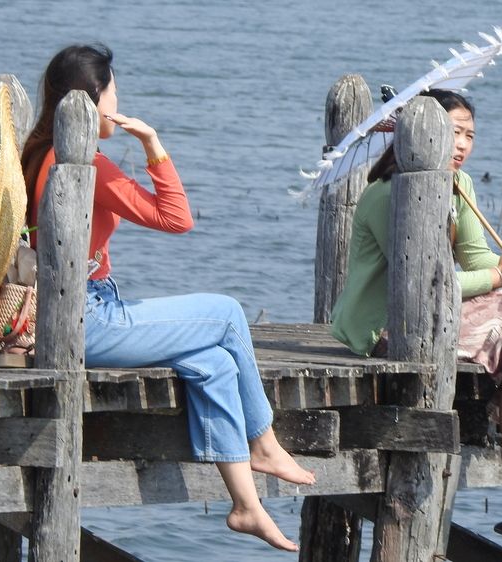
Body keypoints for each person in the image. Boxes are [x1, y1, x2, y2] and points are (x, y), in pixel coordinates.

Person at [20, 43, 315, 552]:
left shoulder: (41, 152)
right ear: (95, 101)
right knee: (227, 312)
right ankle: (263, 441)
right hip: (89, 319)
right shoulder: (85, 165)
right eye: (115, 90)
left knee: (215, 361)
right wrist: (153, 142)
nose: (122, 99)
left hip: (72, 315)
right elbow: (176, 218)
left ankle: (246, 506)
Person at [330, 90, 502, 549]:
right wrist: (498, 277)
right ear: (418, 137)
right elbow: (420, 284)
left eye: (469, 135)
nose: (462, 145)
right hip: (387, 329)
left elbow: (477, 259)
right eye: (451, 133)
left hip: (434, 318)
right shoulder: (388, 194)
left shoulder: (460, 188)